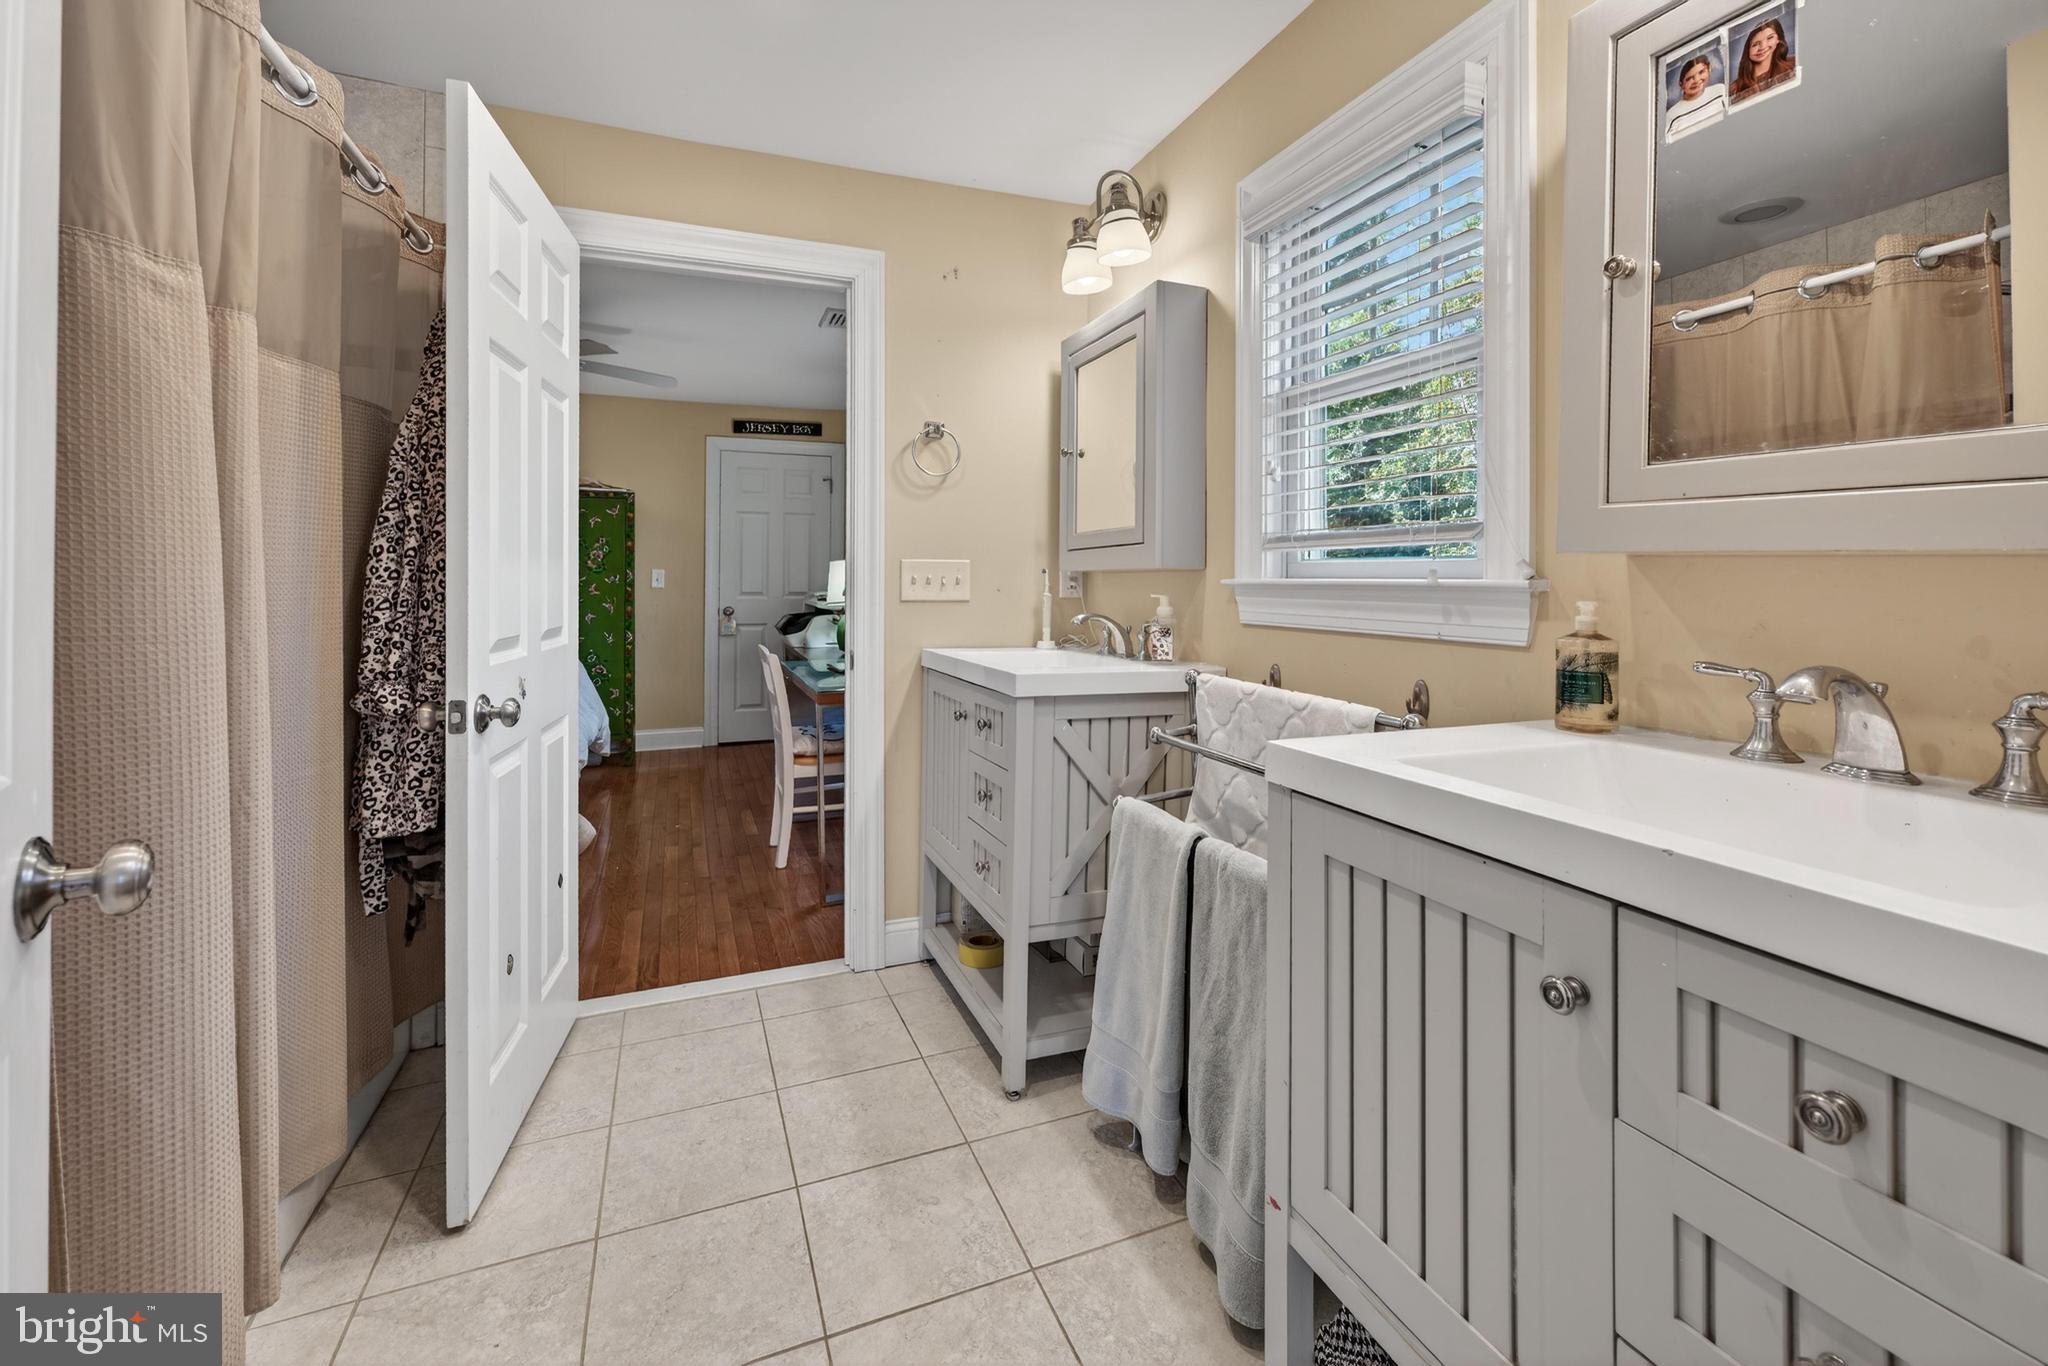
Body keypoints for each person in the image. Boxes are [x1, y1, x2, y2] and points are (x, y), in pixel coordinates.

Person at [1731, 16, 1796, 103]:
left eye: (1770, 38)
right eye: (1755, 44)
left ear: (1778, 39)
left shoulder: (1793, 64)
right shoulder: (1733, 89)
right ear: (1747, 50)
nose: (1763, 47)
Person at [1665, 53, 1728, 142]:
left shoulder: (1720, 91)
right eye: (1689, 78)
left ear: (1709, 69)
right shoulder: (1672, 115)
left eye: (1701, 72)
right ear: (1681, 84)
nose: (1697, 80)